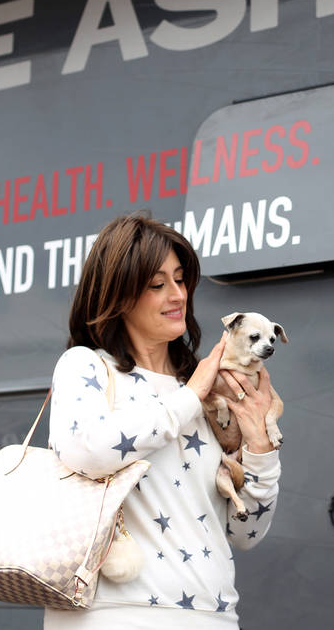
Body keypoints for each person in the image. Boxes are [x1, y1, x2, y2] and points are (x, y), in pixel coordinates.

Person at [44, 213, 280, 630]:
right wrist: (189, 399)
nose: (177, 295)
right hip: (110, 618)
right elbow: (89, 450)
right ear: (117, 295)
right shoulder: (86, 366)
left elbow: (247, 534)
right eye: (157, 284)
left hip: (213, 616)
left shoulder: (210, 388)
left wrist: (261, 449)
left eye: (180, 279)